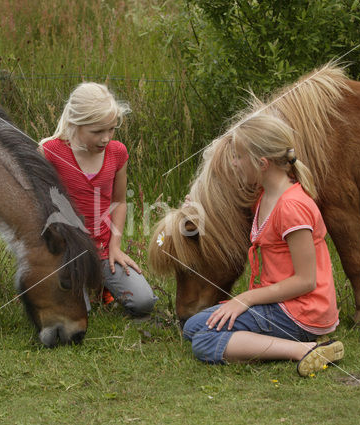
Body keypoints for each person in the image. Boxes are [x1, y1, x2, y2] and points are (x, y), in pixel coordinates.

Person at [182, 113, 343, 376]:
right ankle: (277, 340)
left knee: (204, 341)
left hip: (301, 311)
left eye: (238, 157)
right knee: (193, 326)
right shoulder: (263, 194)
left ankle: (304, 349)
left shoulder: (292, 207)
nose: (234, 163)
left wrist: (244, 300)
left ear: (262, 163)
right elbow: (226, 213)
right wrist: (197, 208)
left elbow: (306, 281)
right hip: (278, 303)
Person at [39, 82, 157, 317]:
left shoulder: (117, 152)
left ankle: (100, 282)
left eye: (111, 129)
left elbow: (120, 201)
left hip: (103, 251)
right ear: (76, 123)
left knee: (144, 302)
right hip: (67, 252)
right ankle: (82, 286)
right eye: (97, 132)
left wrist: (115, 246)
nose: (105, 138)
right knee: (80, 312)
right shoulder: (50, 152)